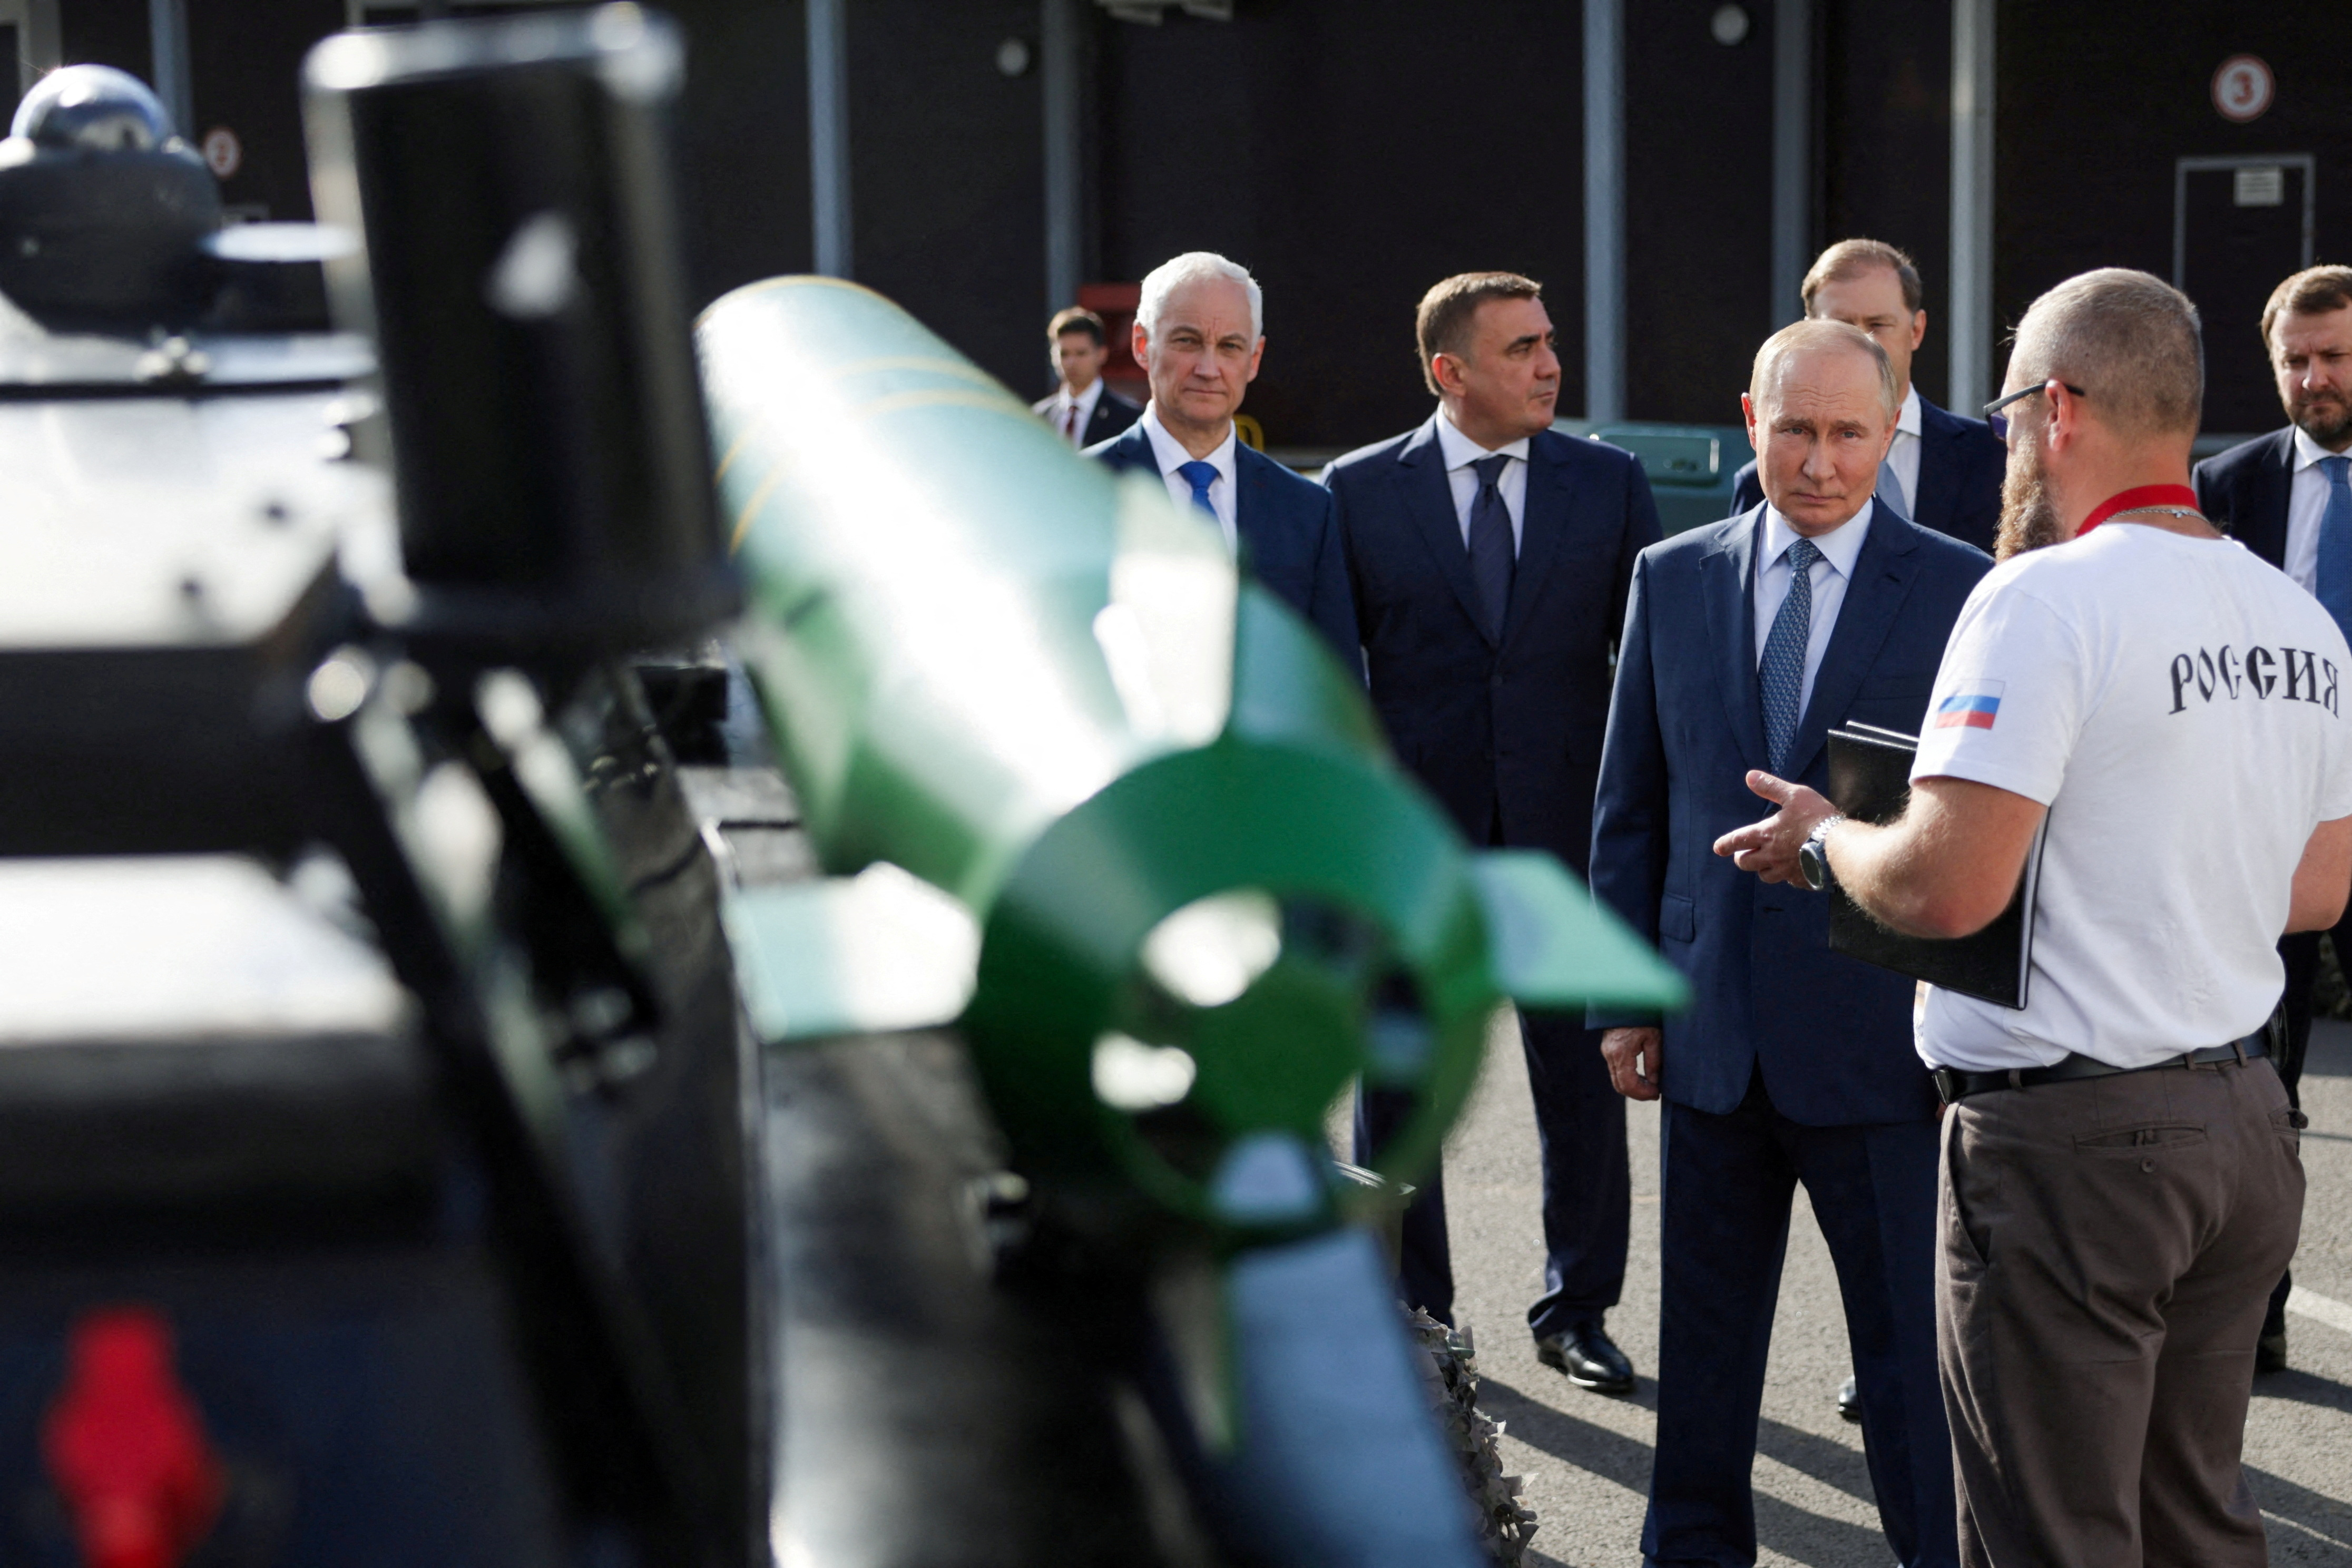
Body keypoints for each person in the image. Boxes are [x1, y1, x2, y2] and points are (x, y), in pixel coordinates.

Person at [1717, 268, 2352, 1568]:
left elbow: (1944, 888)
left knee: (2048, 1538)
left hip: (2069, 1142)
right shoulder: (2294, 620)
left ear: (2056, 408)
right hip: (2238, 1129)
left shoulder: (2037, 599)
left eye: (2009, 411)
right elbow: (2317, 887)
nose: (2003, 437)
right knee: (2193, 1522)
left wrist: (1827, 835)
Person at [1590, 318, 1985, 1567]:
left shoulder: (1956, 586)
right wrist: (1623, 997)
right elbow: (1630, 804)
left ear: (1888, 428)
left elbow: (1972, 816)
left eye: (1849, 433)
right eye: (1796, 430)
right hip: (1707, 1031)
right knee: (1699, 1357)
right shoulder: (1673, 574)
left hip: (1877, 1038)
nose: (1819, 461)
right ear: (1748, 422)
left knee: (1908, 1368)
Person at [1321, 272, 1660, 1393]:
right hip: (1418, 856)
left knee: (1580, 1084)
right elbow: (1334, 684)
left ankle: (1577, 1309)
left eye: (1550, 341)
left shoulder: (1609, 486)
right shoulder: (1359, 494)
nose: (1550, 363)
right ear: (1448, 372)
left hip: (1568, 843)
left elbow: (1642, 683)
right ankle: (1417, 1312)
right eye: (1521, 348)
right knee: (1403, 1088)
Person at [2193, 262, 2352, 1374]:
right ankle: (2259, 1310)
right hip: (2275, 827)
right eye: (2295, 360)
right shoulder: (2230, 485)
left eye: (2335, 356)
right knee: (2267, 1085)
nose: (2315, 378)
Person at [1088, 252, 1357, 663]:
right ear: (1143, 346)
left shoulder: (1307, 509)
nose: (1209, 368)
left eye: (1230, 346)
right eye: (1187, 341)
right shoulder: (1077, 488)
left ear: (1254, 359)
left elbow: (1333, 681)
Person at [1733, 240, 2005, 555]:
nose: (1862, 342)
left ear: (1916, 330)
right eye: (1840, 325)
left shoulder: (1992, 457)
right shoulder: (1763, 482)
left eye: (1878, 325)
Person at [1033, 306, 1141, 448]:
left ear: (1102, 354)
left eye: (1081, 353)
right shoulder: (1039, 417)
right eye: (1064, 354)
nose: (1072, 362)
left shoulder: (1129, 418)